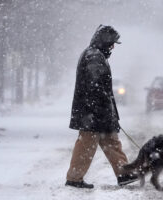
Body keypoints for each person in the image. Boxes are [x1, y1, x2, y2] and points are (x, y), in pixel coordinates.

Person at [65, 25, 137, 189]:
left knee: (111, 142)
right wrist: (102, 112)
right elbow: (95, 87)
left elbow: (99, 89)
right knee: (86, 145)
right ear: (104, 41)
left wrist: (109, 114)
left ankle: (124, 174)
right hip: (92, 113)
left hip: (98, 112)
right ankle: (74, 178)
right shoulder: (94, 57)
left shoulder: (95, 55)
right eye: (111, 43)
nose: (112, 47)